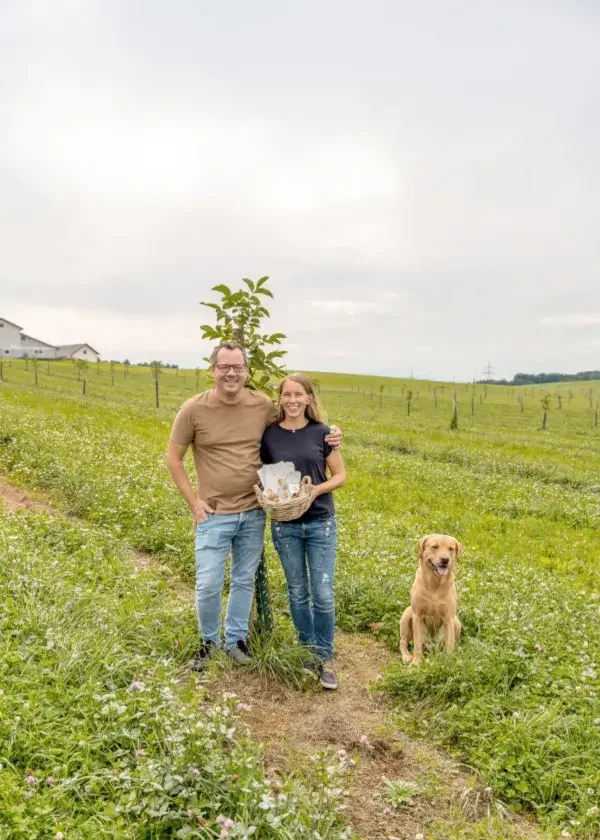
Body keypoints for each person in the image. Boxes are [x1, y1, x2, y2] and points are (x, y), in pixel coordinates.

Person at [166, 342, 342, 670]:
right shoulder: (193, 410)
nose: (231, 373)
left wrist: (330, 434)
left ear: (246, 371)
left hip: (252, 512)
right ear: (212, 371)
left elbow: (297, 417)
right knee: (207, 583)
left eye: (238, 367)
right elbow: (173, 458)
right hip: (213, 513)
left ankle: (235, 641)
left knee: (244, 579)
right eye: (224, 367)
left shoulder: (261, 405)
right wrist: (193, 502)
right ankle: (208, 643)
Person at [260, 373, 346, 690]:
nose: (293, 400)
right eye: (287, 395)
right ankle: (307, 652)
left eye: (299, 395)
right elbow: (267, 477)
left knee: (322, 594)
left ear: (309, 398)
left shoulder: (323, 433)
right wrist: (271, 494)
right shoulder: (269, 436)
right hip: (286, 526)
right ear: (279, 399)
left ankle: (323, 657)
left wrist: (315, 491)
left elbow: (340, 476)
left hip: (320, 522)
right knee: (298, 592)